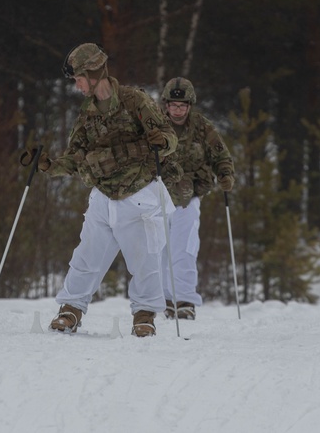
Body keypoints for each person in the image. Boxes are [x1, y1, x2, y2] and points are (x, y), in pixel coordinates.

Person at [22, 43, 179, 337]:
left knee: (146, 261)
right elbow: (75, 157)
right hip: (103, 198)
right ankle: (70, 310)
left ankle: (144, 316)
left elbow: (170, 139)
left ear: (93, 73)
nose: (77, 86)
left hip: (139, 195)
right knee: (86, 257)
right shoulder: (87, 115)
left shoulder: (136, 101)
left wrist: (163, 142)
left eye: (79, 79)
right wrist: (47, 165)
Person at [158, 77, 235, 320]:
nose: (177, 110)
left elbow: (221, 154)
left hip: (188, 196)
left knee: (185, 248)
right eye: (173, 105)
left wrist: (225, 174)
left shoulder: (202, 127)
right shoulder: (155, 125)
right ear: (166, 105)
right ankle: (161, 299)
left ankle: (184, 300)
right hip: (156, 194)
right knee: (157, 249)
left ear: (190, 105)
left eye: (182, 105)